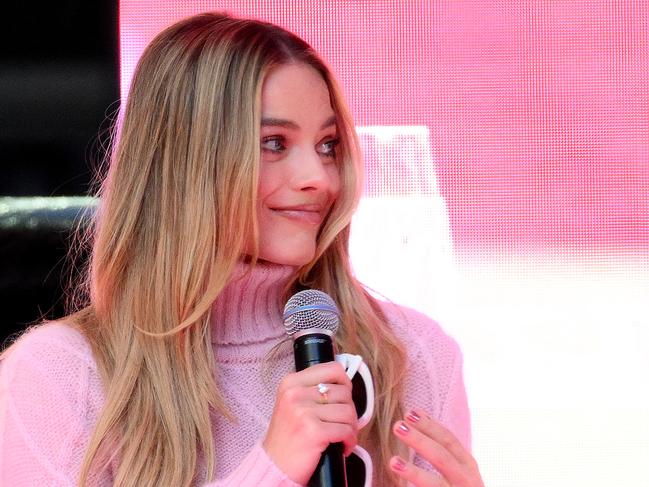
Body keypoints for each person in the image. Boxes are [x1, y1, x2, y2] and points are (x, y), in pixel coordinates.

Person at [0, 12, 484, 487]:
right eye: (274, 143)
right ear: (183, 164)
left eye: (328, 144)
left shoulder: (415, 357)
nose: (318, 179)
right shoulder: (56, 379)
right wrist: (269, 469)